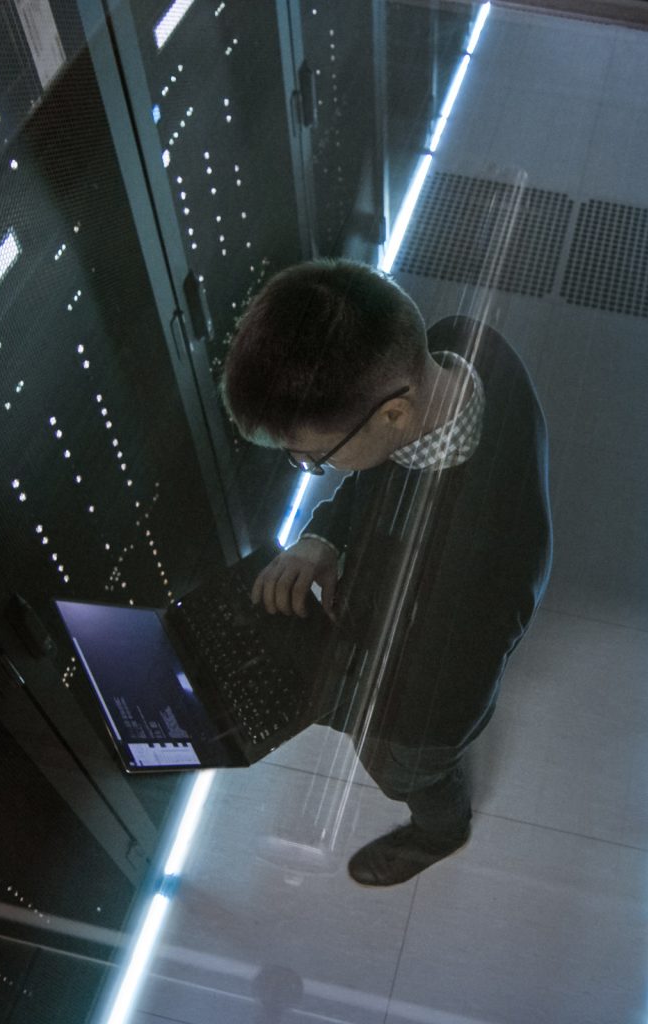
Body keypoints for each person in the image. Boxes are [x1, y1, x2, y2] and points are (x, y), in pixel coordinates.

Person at [221, 260, 552, 887]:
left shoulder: (473, 575)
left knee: (408, 770)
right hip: (425, 626)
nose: (305, 464)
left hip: (422, 714)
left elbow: (433, 708)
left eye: (312, 457)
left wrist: (301, 687)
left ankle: (441, 829)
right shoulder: (459, 343)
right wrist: (324, 535)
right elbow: (384, 469)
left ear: (394, 416)